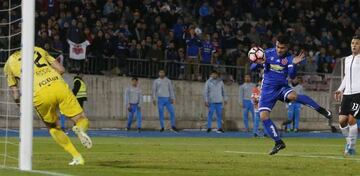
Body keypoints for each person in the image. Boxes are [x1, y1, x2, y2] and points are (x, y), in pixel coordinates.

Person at [4, 47, 92, 165]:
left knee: (53, 127)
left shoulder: (9, 63)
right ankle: (80, 129)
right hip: (58, 84)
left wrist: (21, 106)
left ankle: (77, 157)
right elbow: (61, 69)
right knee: (81, 118)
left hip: (39, 93)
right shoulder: (37, 49)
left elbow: (15, 93)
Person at [250, 35, 333, 155]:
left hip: (281, 88)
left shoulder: (289, 58)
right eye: (278, 46)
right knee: (263, 116)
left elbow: (293, 76)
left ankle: (321, 110)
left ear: (287, 47)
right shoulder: (267, 53)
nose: (279, 49)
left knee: (294, 96)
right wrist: (259, 62)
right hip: (267, 90)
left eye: (282, 48)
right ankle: (279, 142)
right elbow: (252, 68)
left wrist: (293, 64)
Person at [334, 35, 360, 156]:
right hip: (347, 93)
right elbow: (346, 76)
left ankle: (351, 148)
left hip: (358, 94)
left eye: (357, 43)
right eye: (352, 43)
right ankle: (349, 142)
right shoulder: (347, 59)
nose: (354, 45)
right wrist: (340, 89)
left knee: (351, 120)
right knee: (342, 121)